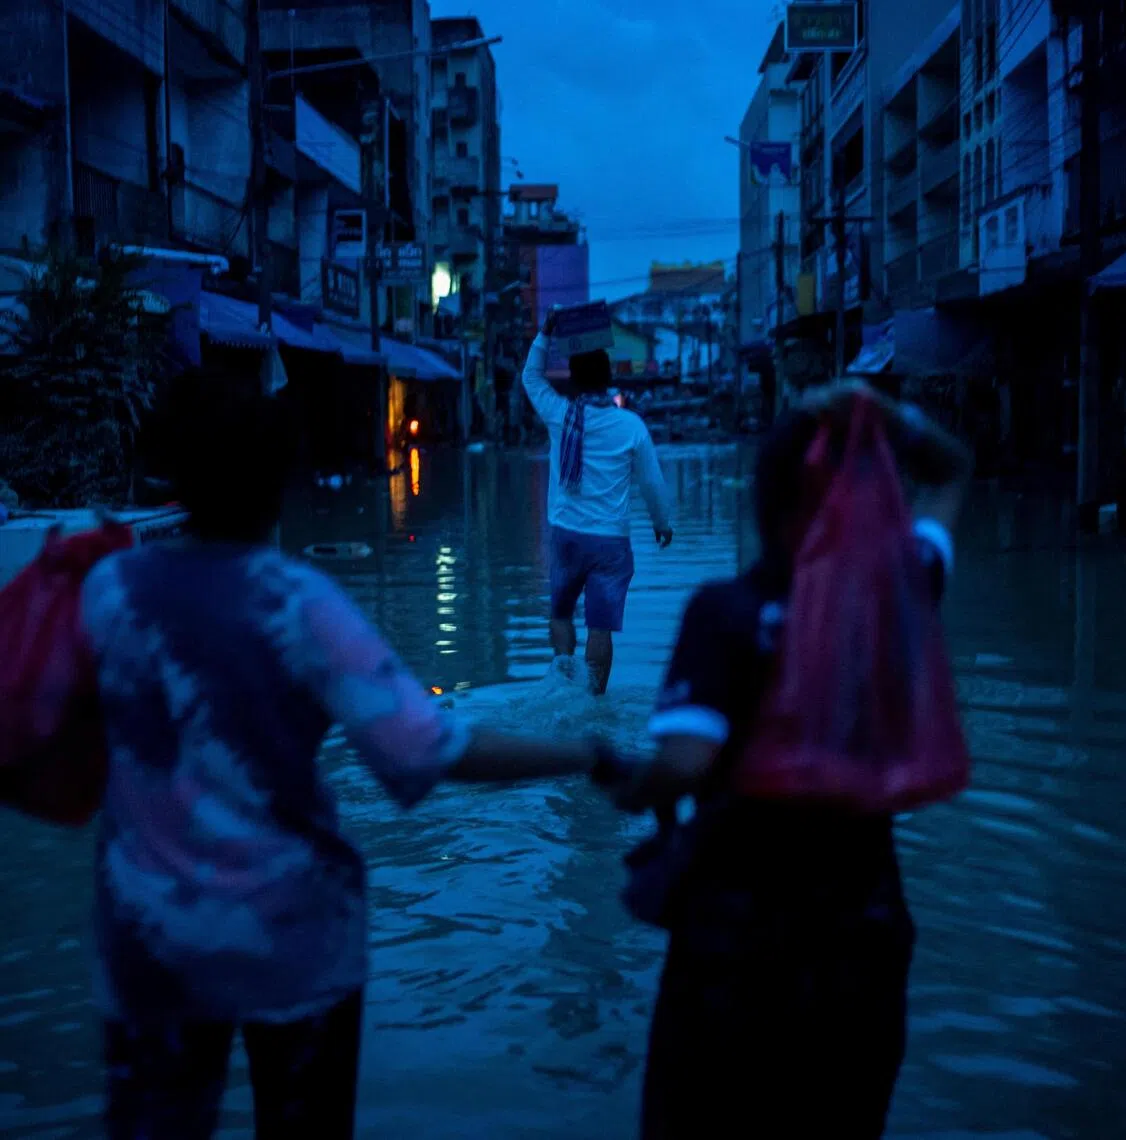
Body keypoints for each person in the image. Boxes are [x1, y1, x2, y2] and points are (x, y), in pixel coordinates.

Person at [80, 367, 616, 1140]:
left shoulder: (109, 591)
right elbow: (429, 747)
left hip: (150, 942)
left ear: (176, 479)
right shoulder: (300, 604)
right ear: (280, 485)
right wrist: (582, 756)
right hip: (295, 938)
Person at [601, 381, 973, 1139]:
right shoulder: (898, 597)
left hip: (736, 952)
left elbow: (686, 763)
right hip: (860, 944)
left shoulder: (726, 612)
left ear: (760, 504)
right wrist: (879, 413)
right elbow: (954, 468)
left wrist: (624, 778)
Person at [522, 308, 673, 695]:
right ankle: (592, 703)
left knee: (560, 613)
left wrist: (545, 334)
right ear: (609, 380)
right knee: (600, 628)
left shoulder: (559, 414)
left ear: (572, 379)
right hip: (610, 544)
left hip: (567, 535)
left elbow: (531, 377)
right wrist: (661, 524)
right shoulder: (631, 426)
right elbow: (653, 484)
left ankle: (563, 678)